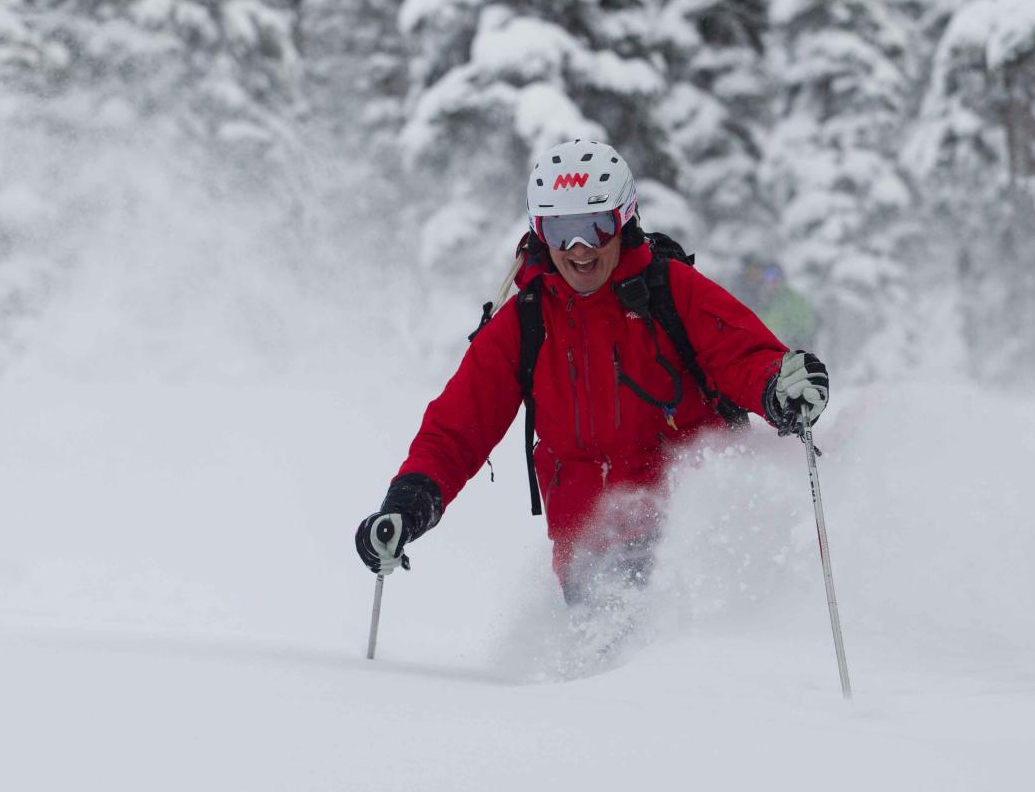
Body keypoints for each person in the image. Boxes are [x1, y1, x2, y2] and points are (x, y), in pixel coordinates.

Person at [355, 140, 828, 604]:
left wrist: (778, 387)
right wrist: (408, 503)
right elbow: (457, 428)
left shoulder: (670, 291)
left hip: (701, 542)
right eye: (560, 231)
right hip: (590, 560)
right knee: (604, 669)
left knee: (694, 665)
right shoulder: (527, 320)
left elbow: (741, 355)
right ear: (539, 233)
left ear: (624, 221)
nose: (579, 249)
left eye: (595, 227)